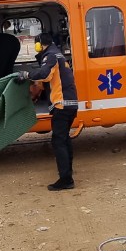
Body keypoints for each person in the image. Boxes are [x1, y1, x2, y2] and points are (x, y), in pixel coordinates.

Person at [15, 33, 77, 191]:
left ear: (39, 44)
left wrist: (26, 75)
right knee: (64, 140)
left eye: (36, 43)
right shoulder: (59, 55)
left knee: (58, 141)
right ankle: (67, 173)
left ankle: (66, 179)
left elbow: (44, 74)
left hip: (62, 105)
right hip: (70, 105)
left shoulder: (50, 56)